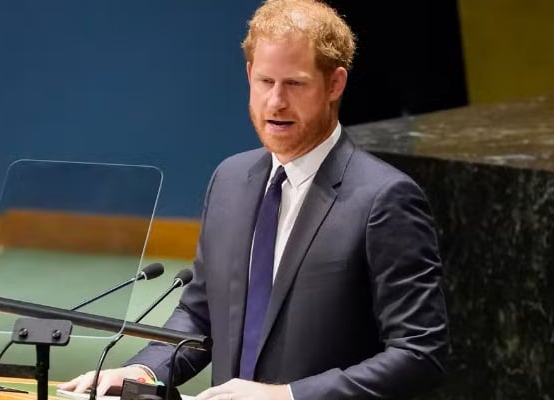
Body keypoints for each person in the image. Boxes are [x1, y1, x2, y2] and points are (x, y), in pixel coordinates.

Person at [59, 0, 448, 398]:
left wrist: (287, 396)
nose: (276, 102)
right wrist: (142, 372)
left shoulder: (385, 198)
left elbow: (419, 354)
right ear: (249, 75)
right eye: (265, 82)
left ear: (335, 85)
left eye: (294, 84)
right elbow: (200, 314)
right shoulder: (230, 180)